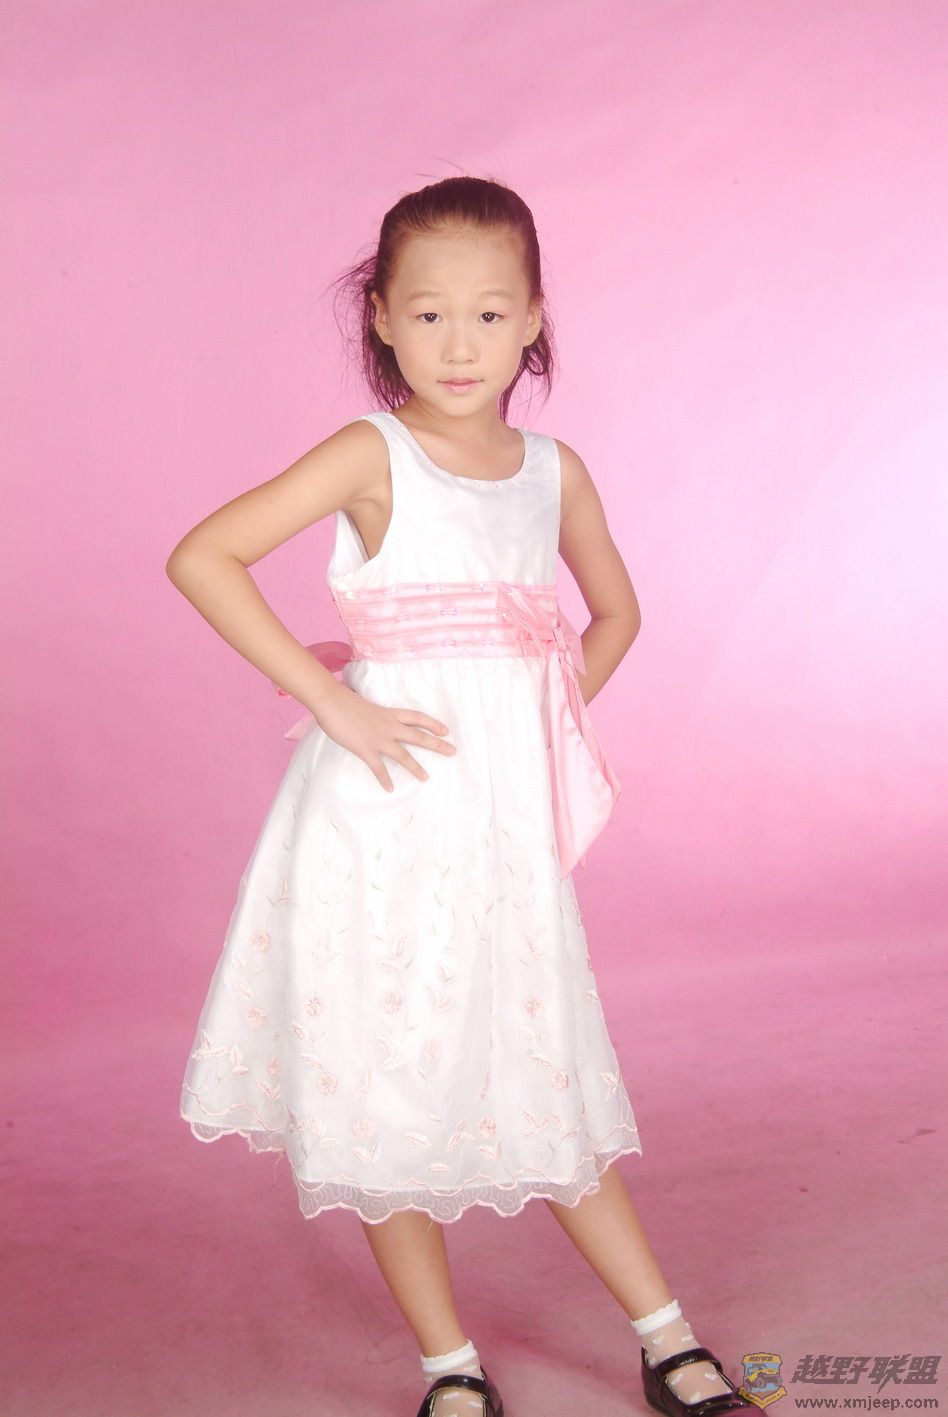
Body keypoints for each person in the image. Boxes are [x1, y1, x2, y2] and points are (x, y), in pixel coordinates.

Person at [168, 176, 753, 1417]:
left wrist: (537, 721)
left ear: (534, 318)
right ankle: (449, 1364)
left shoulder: (552, 471)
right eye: (428, 313)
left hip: (496, 832)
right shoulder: (369, 454)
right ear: (380, 317)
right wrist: (334, 703)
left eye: (490, 314)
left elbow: (615, 613)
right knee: (383, 1079)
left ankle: (666, 1338)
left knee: (538, 1061)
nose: (459, 343)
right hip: (376, 823)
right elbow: (203, 555)